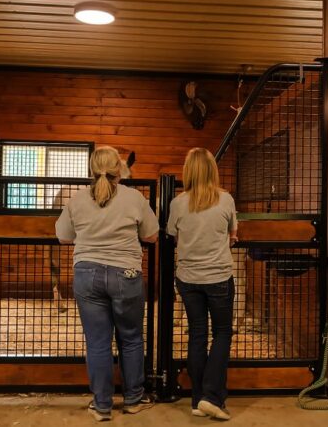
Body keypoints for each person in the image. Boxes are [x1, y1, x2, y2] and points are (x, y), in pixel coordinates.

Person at [55, 145, 159, 422]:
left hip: (87, 274)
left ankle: (101, 405)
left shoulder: (77, 199)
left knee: (97, 342)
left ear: (91, 170)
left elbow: (63, 236)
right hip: (126, 273)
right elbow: (151, 235)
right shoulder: (134, 197)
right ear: (119, 170)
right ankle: (133, 399)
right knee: (131, 338)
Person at [167, 147, 237, 421]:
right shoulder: (226, 199)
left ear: (188, 172)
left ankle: (198, 400)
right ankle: (212, 396)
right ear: (212, 170)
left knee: (197, 334)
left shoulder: (177, 203)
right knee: (222, 333)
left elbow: (173, 234)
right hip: (218, 277)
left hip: (188, 278)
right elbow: (232, 234)